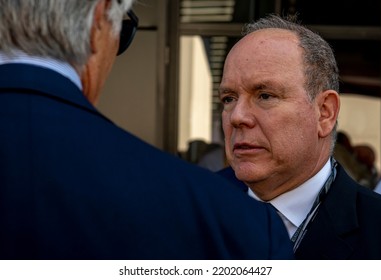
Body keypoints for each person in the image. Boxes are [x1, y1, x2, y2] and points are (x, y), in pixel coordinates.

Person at [0, 1, 294, 260]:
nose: (238, 117)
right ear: (99, 21)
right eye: (123, 32)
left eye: (265, 96)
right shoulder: (229, 225)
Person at [217, 14, 381, 259]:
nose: (237, 116)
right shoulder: (180, 213)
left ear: (324, 113)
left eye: (265, 95)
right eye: (229, 98)